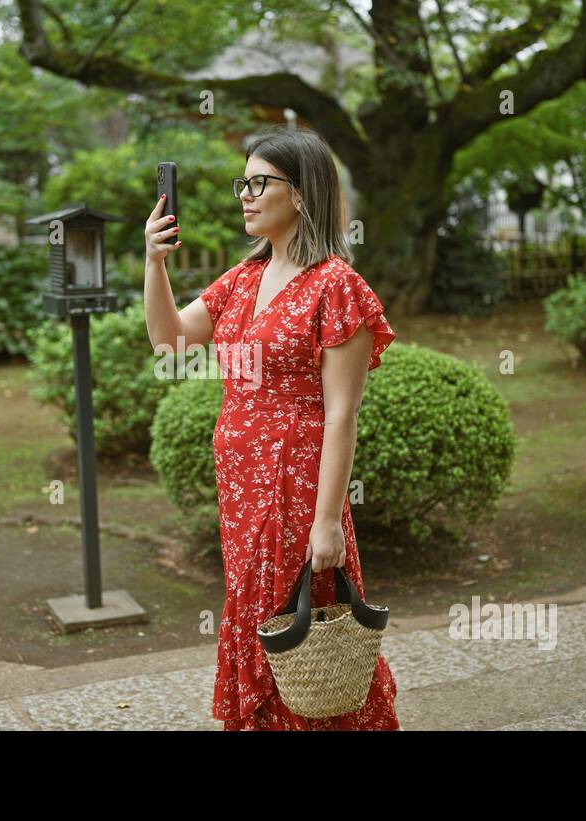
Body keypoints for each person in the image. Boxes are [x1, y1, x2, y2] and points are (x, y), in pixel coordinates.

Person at [143, 125, 400, 730]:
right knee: (256, 611)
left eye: (261, 183)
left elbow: (341, 412)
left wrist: (328, 521)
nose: (246, 195)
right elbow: (169, 339)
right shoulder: (243, 279)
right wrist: (154, 262)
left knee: (297, 620)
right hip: (241, 488)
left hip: (295, 483)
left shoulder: (336, 285)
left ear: (304, 194)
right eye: (245, 183)